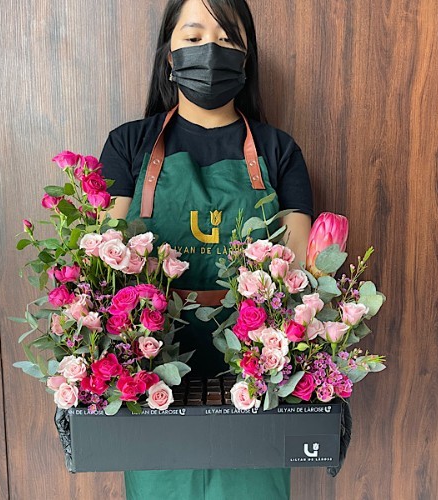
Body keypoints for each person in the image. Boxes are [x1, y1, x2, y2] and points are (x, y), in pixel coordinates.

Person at [99, 1, 313, 498]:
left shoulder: (279, 152)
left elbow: (298, 272)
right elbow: (101, 267)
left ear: (245, 57)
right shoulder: (129, 145)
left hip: (255, 381)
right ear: (168, 54)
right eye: (193, 38)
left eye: (226, 38)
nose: (210, 51)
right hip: (149, 379)